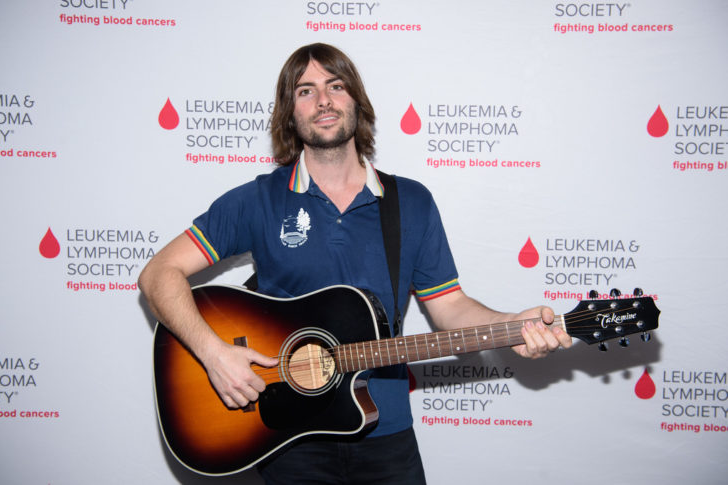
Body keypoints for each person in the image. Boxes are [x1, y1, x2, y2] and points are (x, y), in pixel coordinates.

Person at [138, 43, 572, 484]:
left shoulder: (411, 203)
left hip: (386, 433)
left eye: (335, 85)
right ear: (289, 113)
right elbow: (158, 275)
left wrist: (510, 324)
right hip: (286, 438)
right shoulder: (258, 200)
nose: (323, 100)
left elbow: (450, 307)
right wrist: (213, 354)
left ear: (356, 102)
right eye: (305, 91)